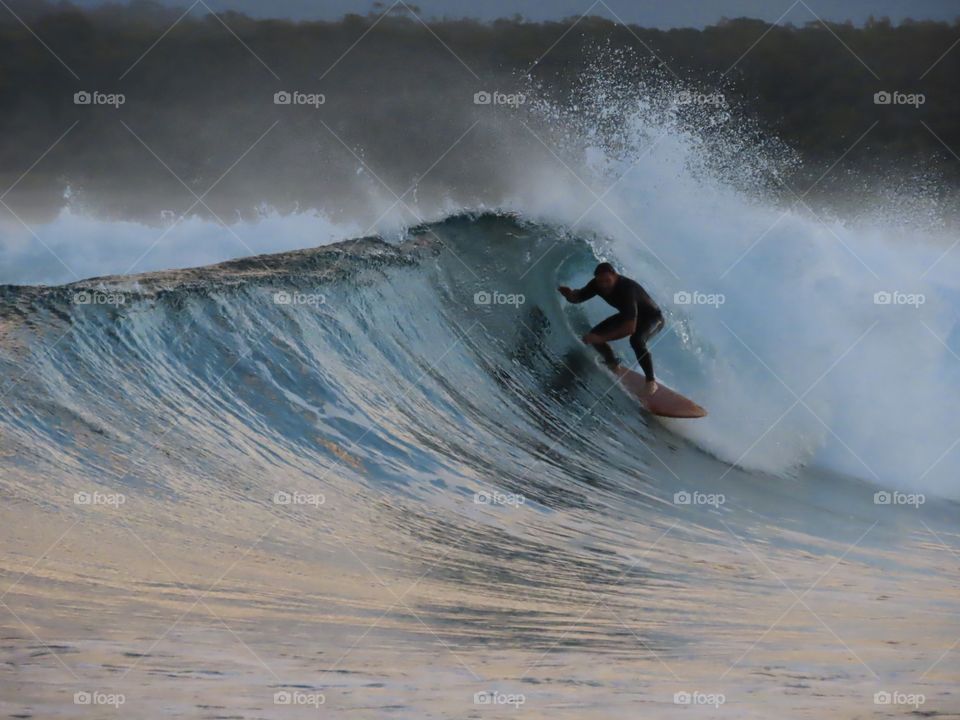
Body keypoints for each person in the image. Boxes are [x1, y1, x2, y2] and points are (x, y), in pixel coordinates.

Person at [558, 262, 664, 392]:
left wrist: (601, 338)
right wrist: (569, 295)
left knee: (636, 340)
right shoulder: (597, 285)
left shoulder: (627, 289)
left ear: (615, 275)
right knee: (594, 334)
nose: (604, 285)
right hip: (629, 315)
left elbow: (629, 328)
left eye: (607, 280)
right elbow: (579, 297)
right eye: (600, 281)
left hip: (652, 318)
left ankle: (651, 382)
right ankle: (612, 364)